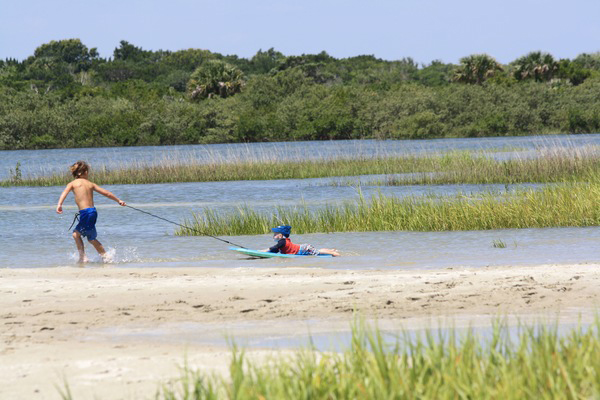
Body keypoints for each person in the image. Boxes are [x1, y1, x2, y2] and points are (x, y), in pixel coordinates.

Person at [56, 161, 126, 263]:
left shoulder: (72, 184)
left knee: (76, 235)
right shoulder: (90, 184)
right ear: (81, 173)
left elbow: (64, 193)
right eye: (86, 171)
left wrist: (59, 204)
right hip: (92, 212)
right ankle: (106, 256)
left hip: (85, 213)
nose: (88, 173)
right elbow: (106, 193)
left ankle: (83, 258)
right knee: (91, 238)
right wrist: (118, 200)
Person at [261, 225, 340, 256]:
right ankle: (331, 250)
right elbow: (275, 251)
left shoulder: (282, 241)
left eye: (275, 234)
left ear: (280, 235)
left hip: (304, 249)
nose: (273, 236)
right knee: (317, 251)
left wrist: (262, 251)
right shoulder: (283, 242)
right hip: (304, 248)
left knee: (318, 252)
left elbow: (273, 248)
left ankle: (333, 253)